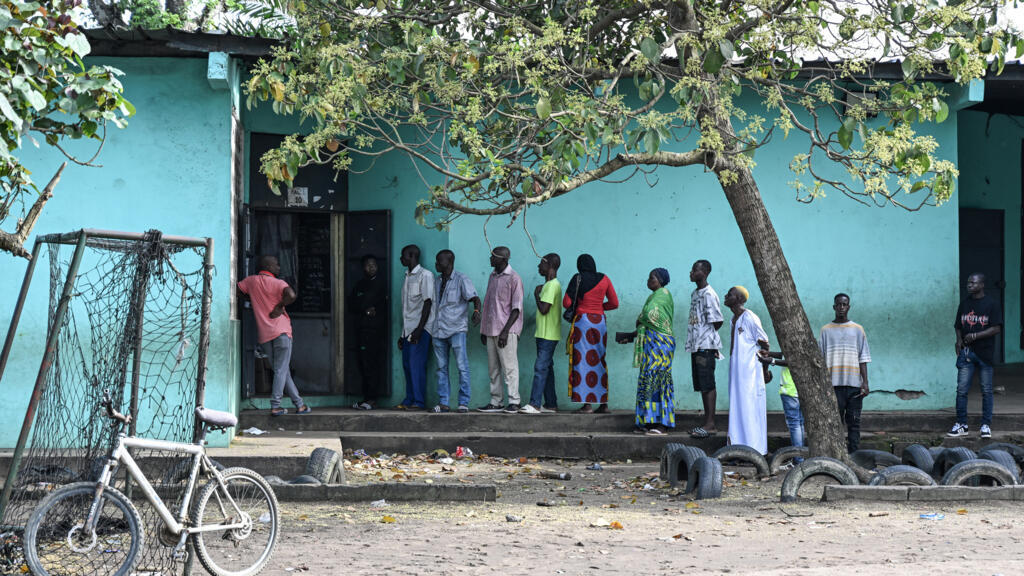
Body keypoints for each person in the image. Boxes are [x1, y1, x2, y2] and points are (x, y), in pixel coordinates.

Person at [238, 255, 310, 417]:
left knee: (282, 370)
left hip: (265, 334)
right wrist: (279, 306)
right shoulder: (278, 283)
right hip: (281, 331)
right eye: (276, 265)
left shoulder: (251, 281)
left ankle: (299, 404)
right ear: (268, 266)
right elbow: (291, 295)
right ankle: (276, 406)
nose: (279, 267)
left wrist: (253, 298)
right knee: (280, 370)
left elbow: (237, 291)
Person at [617, 268, 675, 435]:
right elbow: (647, 322)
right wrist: (631, 335)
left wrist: (640, 319)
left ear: (661, 280)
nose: (648, 281)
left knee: (660, 380)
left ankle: (663, 424)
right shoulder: (653, 296)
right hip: (651, 345)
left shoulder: (663, 294)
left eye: (652, 278)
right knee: (648, 381)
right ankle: (649, 421)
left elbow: (649, 315)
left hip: (661, 345)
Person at [949, 273, 1003, 438]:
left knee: (986, 390)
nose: (969, 285)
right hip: (966, 353)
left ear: (982, 285)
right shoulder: (965, 304)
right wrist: (959, 341)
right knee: (962, 390)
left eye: (973, 283)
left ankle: (985, 425)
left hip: (985, 354)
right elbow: (958, 325)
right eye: (968, 282)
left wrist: (976, 335)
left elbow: (996, 328)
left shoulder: (992, 304)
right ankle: (961, 424)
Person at [563, 254, 619, 413]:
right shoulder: (605, 279)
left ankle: (587, 405)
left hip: (583, 322)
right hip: (600, 322)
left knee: (583, 361)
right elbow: (614, 303)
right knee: (599, 360)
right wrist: (599, 308)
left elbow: (566, 302)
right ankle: (603, 404)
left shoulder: (578, 278)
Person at [819, 293, 871, 452]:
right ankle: (838, 454)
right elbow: (821, 359)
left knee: (854, 422)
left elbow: (863, 358)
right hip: (833, 385)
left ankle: (854, 454)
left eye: (844, 304)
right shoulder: (825, 331)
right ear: (834, 307)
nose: (841, 307)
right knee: (835, 423)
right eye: (838, 304)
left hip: (854, 385)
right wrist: (823, 385)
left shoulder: (858, 330)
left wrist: (865, 382)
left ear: (849, 307)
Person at [431, 249, 481, 414]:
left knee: (462, 366)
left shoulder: (461, 279)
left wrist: (476, 311)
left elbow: (475, 298)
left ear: (449, 262)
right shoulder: (437, 281)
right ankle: (443, 402)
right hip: (438, 330)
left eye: (439, 261)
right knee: (441, 368)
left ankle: (463, 402)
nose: (436, 264)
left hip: (456, 329)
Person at [478, 246, 525, 413]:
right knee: (493, 369)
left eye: (494, 256)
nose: (490, 259)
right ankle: (496, 401)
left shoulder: (514, 278)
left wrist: (505, 331)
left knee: (509, 367)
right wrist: (483, 329)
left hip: (507, 331)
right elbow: (488, 304)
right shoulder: (492, 277)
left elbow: (516, 309)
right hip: (491, 329)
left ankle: (514, 401)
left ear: (504, 259)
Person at [725, 286, 769, 454]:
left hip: (750, 374)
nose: (726, 296)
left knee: (750, 409)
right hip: (736, 372)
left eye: (730, 294)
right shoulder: (733, 319)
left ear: (739, 298)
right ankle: (738, 449)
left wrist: (765, 371)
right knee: (737, 409)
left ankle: (754, 451)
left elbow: (764, 344)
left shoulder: (750, 317)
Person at [686, 260, 724, 439]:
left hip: (706, 346)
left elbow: (718, 321)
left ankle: (711, 424)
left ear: (705, 272)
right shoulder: (695, 293)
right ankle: (707, 422)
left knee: (708, 383)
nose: (691, 272)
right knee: (702, 384)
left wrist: (707, 337)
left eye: (695, 270)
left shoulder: (709, 294)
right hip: (696, 345)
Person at [521, 253, 562, 414]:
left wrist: (536, 296)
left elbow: (544, 309)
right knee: (547, 369)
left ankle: (535, 404)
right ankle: (551, 404)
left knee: (540, 368)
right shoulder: (549, 285)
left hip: (548, 335)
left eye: (541, 263)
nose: (539, 266)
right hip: (545, 334)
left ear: (550, 265)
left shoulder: (551, 285)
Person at [397, 244, 435, 411]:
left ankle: (418, 402)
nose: (401, 259)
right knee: (407, 365)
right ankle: (409, 399)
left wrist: (419, 330)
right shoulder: (407, 276)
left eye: (403, 256)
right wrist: (402, 334)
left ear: (412, 256)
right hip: (408, 329)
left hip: (420, 329)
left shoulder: (425, 275)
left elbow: (428, 303)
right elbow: (407, 309)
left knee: (416, 365)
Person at [350, 254, 387, 410]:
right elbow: (352, 305)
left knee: (372, 364)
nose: (371, 268)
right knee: (363, 365)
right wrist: (364, 309)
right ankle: (365, 398)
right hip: (361, 329)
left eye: (374, 265)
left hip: (374, 331)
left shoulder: (382, 284)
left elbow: (381, 307)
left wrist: (368, 309)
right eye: (368, 265)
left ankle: (372, 399)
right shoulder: (359, 284)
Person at [757, 348, 803, 461]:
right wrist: (769, 353)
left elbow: (792, 361)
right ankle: (800, 458)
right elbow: (785, 354)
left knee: (794, 425)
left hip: (790, 390)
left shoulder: (795, 345)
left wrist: (772, 361)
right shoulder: (803, 345)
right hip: (800, 390)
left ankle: (798, 460)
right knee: (799, 423)